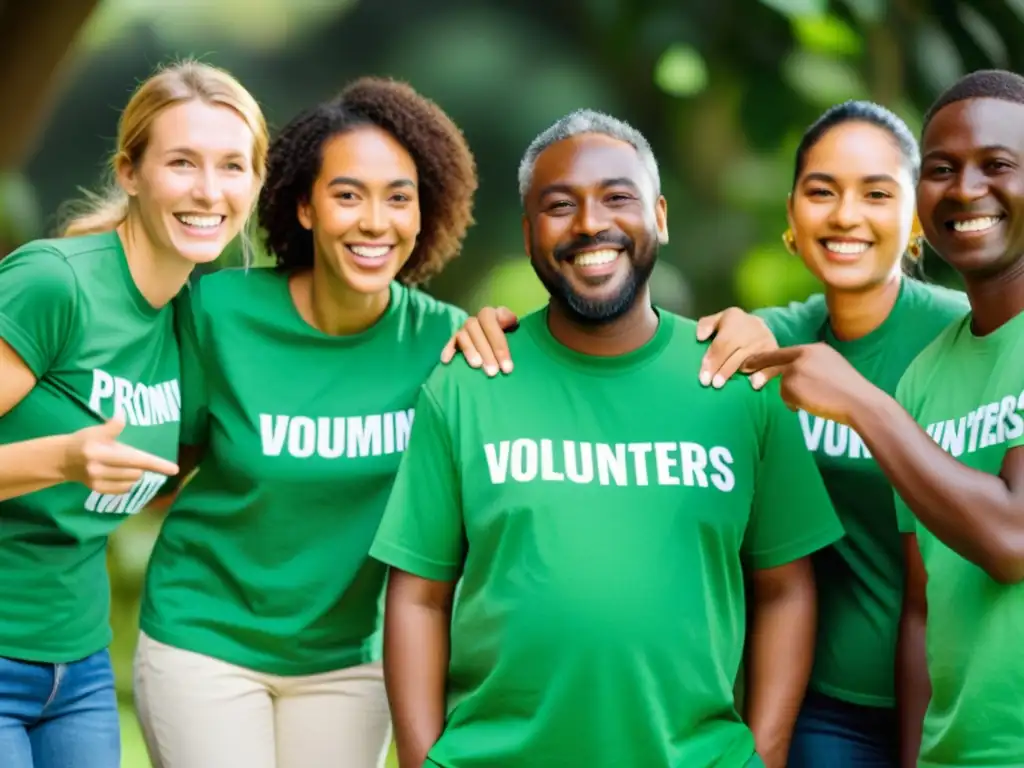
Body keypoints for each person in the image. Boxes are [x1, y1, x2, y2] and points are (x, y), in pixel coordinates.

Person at [439, 99, 970, 767]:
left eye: (876, 192)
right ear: (791, 214)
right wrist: (490, 327)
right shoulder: (757, 345)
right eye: (821, 191)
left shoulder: (963, 337)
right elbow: (641, 343)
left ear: (914, 214)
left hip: (955, 688)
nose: (844, 214)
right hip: (824, 704)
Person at [370, 109, 845, 768]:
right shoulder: (469, 383)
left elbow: (787, 588)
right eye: (559, 205)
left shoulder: (739, 382)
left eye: (617, 198)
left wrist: (762, 756)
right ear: (529, 233)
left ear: (661, 215)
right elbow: (418, 596)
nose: (591, 222)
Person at [132, 77, 477, 768]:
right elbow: (161, 465)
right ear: (305, 206)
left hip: (351, 660)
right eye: (348, 195)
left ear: (425, 210)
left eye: (398, 197)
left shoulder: (449, 347)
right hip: (204, 640)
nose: (375, 222)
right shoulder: (219, 315)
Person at [741, 69, 1024, 768]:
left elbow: (1013, 537)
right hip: (933, 739)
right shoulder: (932, 373)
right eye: (942, 170)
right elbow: (921, 604)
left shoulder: (922, 356)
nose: (965, 189)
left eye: (996, 166)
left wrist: (864, 403)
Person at [0, 60, 266, 768]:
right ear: (130, 172)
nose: (209, 190)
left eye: (232, 166)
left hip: (78, 667)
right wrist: (58, 460)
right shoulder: (53, 285)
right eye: (182, 162)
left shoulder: (194, 323)